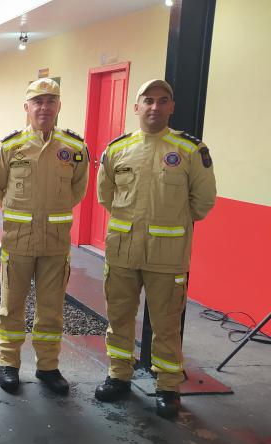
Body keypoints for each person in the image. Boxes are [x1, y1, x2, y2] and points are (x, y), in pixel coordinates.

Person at [94, 79, 216, 418]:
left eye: (163, 101)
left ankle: (167, 387)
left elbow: (202, 203)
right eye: (147, 101)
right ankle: (118, 376)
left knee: (166, 323)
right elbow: (106, 195)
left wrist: (168, 222)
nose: (154, 107)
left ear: (171, 107)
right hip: (122, 252)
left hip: (167, 256)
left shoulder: (190, 151)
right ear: (136, 107)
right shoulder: (117, 149)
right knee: (119, 317)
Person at [0, 78, 89, 395]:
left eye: (51, 101)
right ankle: (8, 365)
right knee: (11, 307)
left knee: (51, 309)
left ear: (59, 106)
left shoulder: (74, 148)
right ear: (27, 107)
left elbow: (78, 191)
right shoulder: (9, 146)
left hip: (55, 244)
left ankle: (47, 367)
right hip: (18, 242)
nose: (44, 107)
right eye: (38, 101)